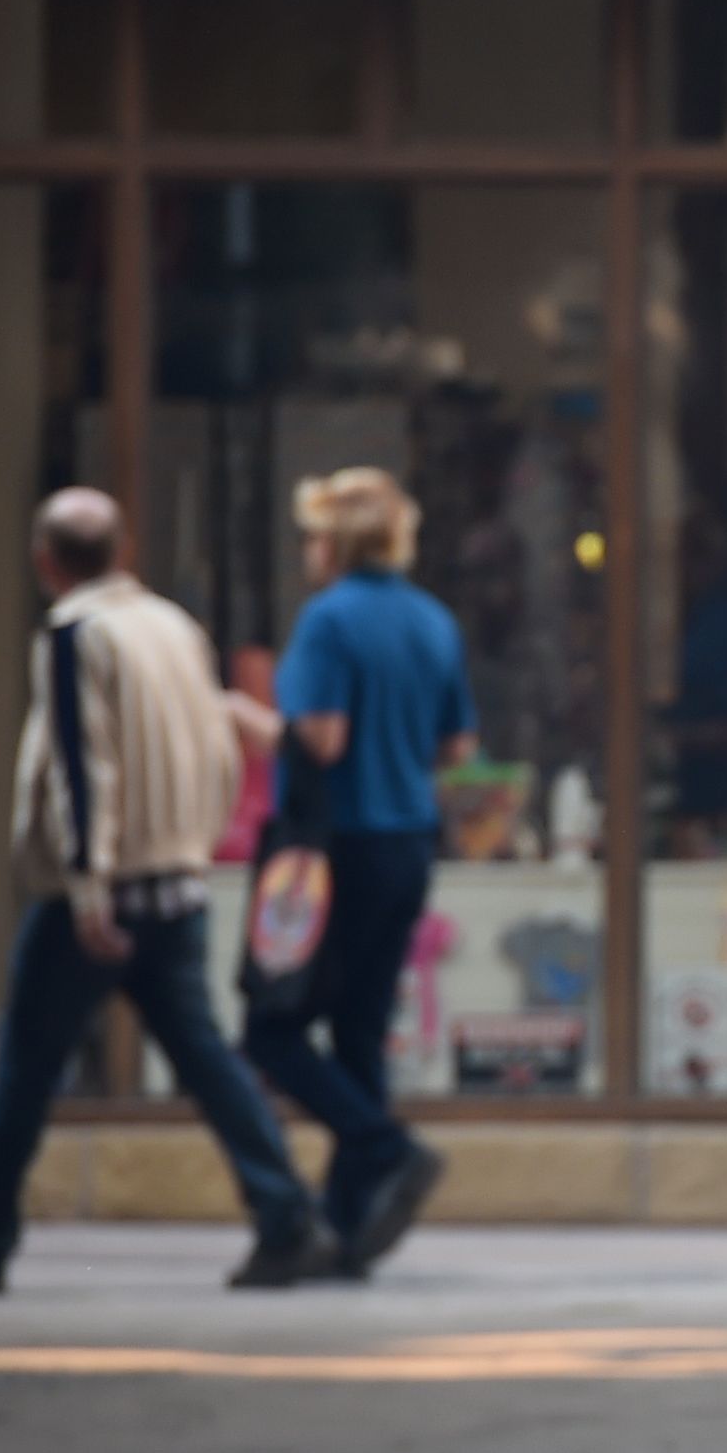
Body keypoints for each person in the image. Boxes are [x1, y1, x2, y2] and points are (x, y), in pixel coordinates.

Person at [0, 492, 329, 1291]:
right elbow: (215, 749)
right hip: (177, 882)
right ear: (125, 548)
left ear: (45, 561)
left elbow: (82, 765)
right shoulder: (175, 628)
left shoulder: (76, 635)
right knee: (207, 1060)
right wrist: (196, 848)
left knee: (25, 1071)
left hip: (99, 898)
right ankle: (287, 1216)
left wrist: (88, 886)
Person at [246, 467, 471, 1278]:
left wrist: (252, 720)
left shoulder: (329, 620)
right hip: (409, 839)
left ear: (336, 541)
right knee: (361, 1031)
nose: (309, 548)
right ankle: (348, 1226)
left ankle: (384, 1149)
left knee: (269, 1029)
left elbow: (323, 738)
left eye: (314, 533)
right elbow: (457, 747)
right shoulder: (434, 621)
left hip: (335, 847)